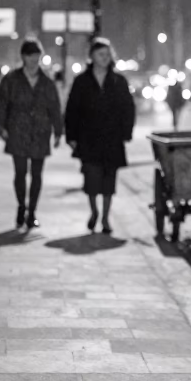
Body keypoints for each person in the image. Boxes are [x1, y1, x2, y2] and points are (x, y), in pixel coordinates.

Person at [65, 38, 136, 235]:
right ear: (92, 57)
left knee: (108, 180)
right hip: (88, 138)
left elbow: (128, 107)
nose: (105, 58)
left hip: (112, 138)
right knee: (91, 179)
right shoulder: (82, 81)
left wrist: (126, 131)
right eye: (100, 55)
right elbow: (72, 110)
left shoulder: (118, 81)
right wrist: (71, 135)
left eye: (107, 54)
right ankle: (94, 211)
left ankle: (105, 216)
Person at [0, 39, 64, 230]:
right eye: (30, 55)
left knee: (37, 174)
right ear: (23, 57)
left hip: (40, 132)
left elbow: (54, 107)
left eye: (37, 56)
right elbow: (0, 103)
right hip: (18, 131)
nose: (34, 60)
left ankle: (32, 211)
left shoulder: (46, 82)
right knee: (20, 172)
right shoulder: (12, 80)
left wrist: (58, 130)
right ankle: (21, 206)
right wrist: (1, 126)